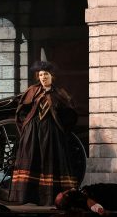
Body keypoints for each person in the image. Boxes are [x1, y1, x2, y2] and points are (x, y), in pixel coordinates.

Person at [9, 61, 78, 205]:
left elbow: (69, 114)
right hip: (33, 132)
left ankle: (49, 197)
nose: (43, 77)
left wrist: (61, 128)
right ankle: (29, 196)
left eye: (46, 74)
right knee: (31, 159)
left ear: (52, 76)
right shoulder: (32, 91)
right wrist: (27, 125)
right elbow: (22, 110)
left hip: (51, 132)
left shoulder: (59, 93)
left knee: (50, 160)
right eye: (40, 75)